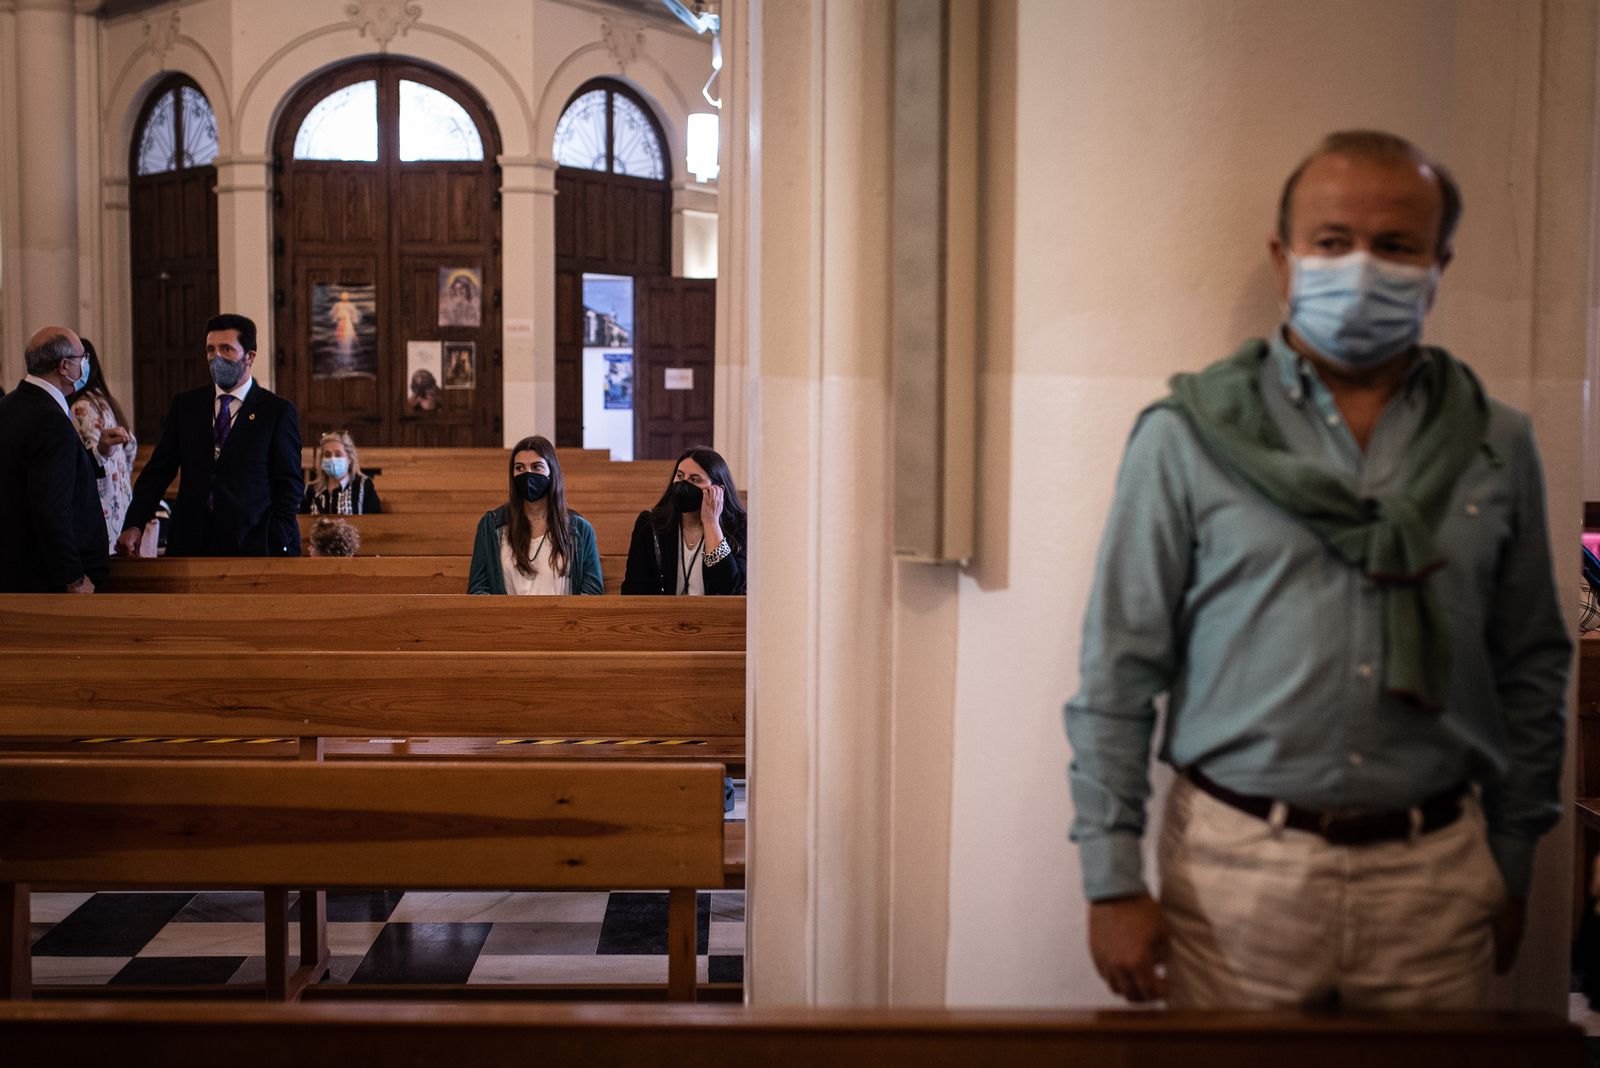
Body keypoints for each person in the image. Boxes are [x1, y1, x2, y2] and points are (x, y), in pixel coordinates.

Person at [1065, 130, 1570, 1011]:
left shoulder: (1500, 441)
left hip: (1438, 873)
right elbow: (1118, 670)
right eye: (1333, 242)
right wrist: (1111, 879)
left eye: (1397, 246)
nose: (1362, 265)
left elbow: (1530, 665)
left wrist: (1517, 860)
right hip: (1235, 870)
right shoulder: (1185, 436)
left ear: (1440, 262)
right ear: (1284, 256)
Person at [117, 313, 304, 557]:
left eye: (226, 349)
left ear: (249, 357)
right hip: (192, 539)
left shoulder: (276, 411)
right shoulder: (187, 406)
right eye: (210, 349)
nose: (216, 358)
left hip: (252, 541)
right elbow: (158, 471)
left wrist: (274, 534)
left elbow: (289, 483)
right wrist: (134, 523)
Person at [0, 327, 109, 592]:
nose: (86, 365)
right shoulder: (50, 420)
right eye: (82, 358)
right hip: (45, 579)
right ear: (64, 366)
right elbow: (51, 509)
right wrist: (74, 577)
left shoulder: (7, 406)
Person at [468, 435, 603, 595]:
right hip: (507, 619)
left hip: (562, 619)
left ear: (551, 472)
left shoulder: (579, 529)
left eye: (536, 467)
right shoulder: (491, 525)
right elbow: (478, 588)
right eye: (520, 468)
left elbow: (592, 592)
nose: (527, 474)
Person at [621, 445, 747, 595]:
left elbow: (730, 588)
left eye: (695, 479)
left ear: (718, 490)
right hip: (664, 616)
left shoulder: (739, 525)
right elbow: (634, 589)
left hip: (716, 616)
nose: (683, 484)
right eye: (680, 476)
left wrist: (711, 523)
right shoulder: (650, 523)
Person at [68, 338, 138, 547]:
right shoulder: (105, 400)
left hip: (102, 502)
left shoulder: (82, 406)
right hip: (120, 498)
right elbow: (130, 450)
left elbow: (92, 461)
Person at [302, 429, 382, 515]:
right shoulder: (311, 489)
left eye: (338, 455)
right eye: (327, 455)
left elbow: (375, 522)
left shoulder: (363, 486)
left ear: (349, 459)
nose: (332, 459)